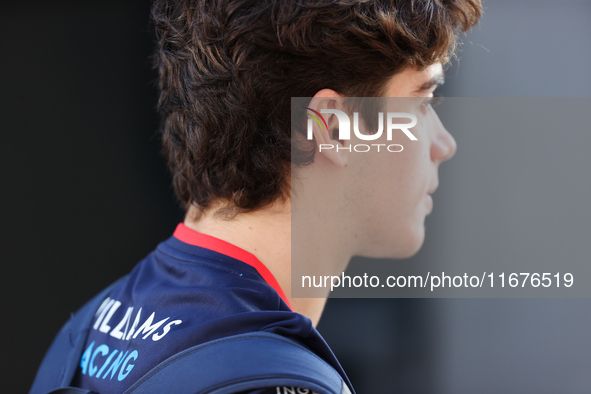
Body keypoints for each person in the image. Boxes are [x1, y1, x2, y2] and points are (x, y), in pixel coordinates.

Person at [30, 0, 482, 393]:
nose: (444, 144)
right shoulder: (274, 382)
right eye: (424, 100)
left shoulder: (83, 336)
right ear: (331, 128)